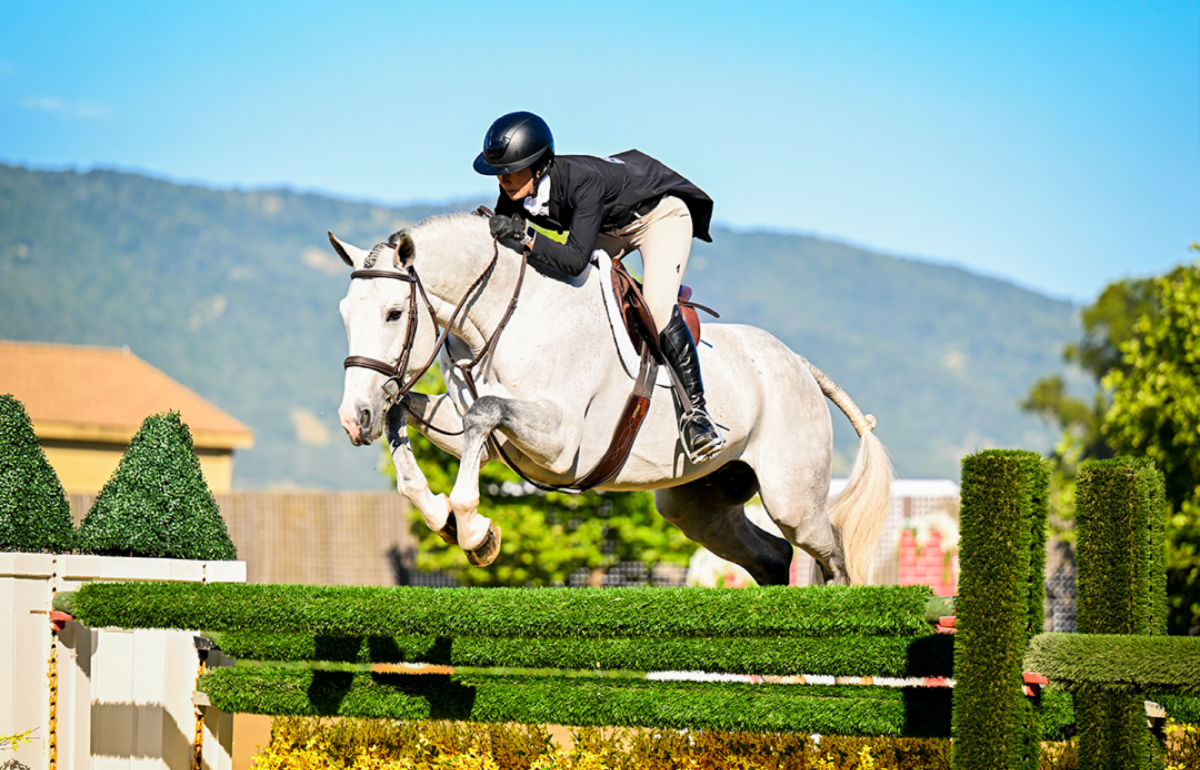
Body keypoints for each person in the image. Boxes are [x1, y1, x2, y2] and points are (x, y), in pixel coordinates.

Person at [472, 111, 726, 463]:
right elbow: (505, 234)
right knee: (570, 293)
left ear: (539, 166)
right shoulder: (516, 188)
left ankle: (697, 416)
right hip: (607, 226)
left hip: (657, 217)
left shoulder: (583, 181)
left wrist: (527, 235)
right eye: (499, 173)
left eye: (511, 171)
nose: (503, 181)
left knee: (656, 308)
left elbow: (574, 259)